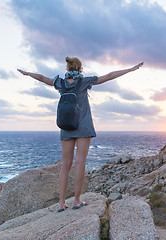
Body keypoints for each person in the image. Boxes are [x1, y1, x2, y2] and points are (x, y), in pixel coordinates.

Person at [18, 57, 143, 212]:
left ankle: (61, 203)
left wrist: (27, 73)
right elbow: (109, 76)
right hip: (83, 126)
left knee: (65, 166)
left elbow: (43, 78)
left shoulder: (60, 82)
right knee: (80, 163)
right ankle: (77, 200)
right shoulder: (84, 82)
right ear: (80, 68)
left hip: (66, 127)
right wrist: (130, 69)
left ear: (68, 68)